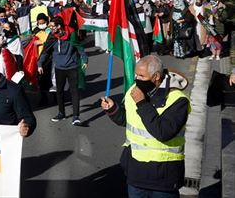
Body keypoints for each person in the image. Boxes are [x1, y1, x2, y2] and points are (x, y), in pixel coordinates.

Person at [101, 55, 190, 198]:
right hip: (136, 175)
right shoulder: (135, 91)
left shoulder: (178, 100)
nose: (137, 79)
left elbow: (163, 132)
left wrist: (142, 103)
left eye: (141, 76)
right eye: (136, 75)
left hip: (163, 178)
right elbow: (128, 120)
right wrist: (113, 110)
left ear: (156, 77)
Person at [37, 16, 88, 126]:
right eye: (50, 26)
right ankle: (61, 113)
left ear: (59, 26)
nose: (50, 28)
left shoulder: (71, 34)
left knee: (74, 92)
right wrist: (40, 64)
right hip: (59, 68)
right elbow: (46, 51)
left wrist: (84, 59)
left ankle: (76, 117)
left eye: (52, 26)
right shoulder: (52, 36)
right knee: (59, 91)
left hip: (72, 67)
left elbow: (79, 47)